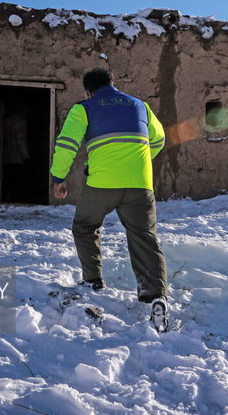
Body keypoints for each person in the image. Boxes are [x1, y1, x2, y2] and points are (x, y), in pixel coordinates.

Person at [50, 68, 169, 332]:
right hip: (139, 183)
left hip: (102, 183)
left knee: (85, 226)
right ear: (112, 84)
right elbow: (159, 138)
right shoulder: (140, 106)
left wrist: (58, 177)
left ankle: (93, 280)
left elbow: (67, 143)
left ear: (88, 90)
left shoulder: (84, 107)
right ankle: (156, 296)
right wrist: (138, 162)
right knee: (144, 236)